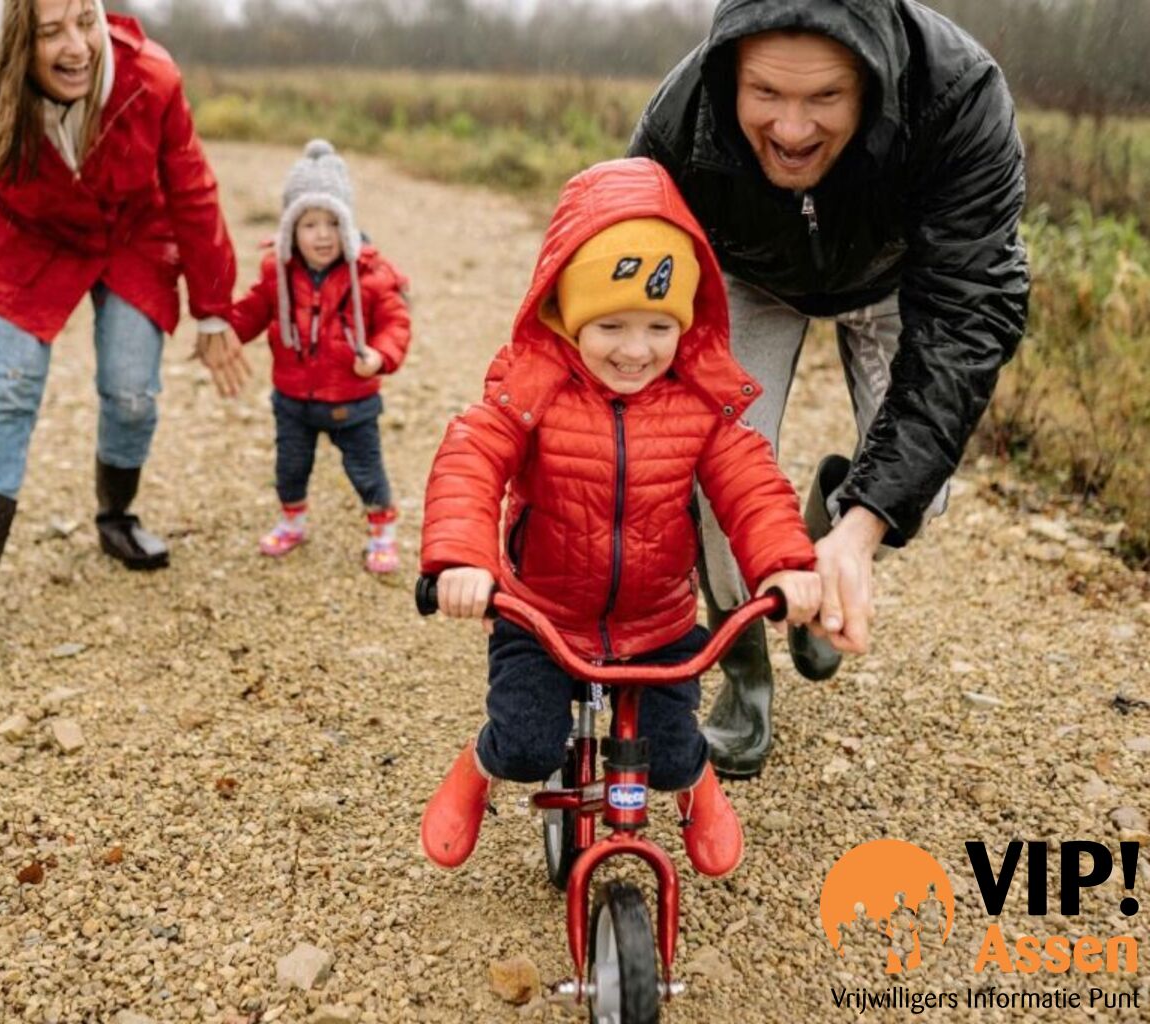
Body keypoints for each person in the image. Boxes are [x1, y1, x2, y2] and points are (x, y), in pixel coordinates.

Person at [629, 0, 1030, 775]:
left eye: (825, 99)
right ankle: (743, 673)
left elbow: (968, 320)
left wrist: (863, 525)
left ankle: (828, 533)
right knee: (713, 479)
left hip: (893, 275)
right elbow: (615, 276)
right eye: (767, 95)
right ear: (730, 75)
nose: (791, 129)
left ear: (873, 81)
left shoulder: (960, 99)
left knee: (920, 489)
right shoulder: (680, 122)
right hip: (750, 274)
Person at [416, 157, 822, 875]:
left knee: (669, 752)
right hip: (540, 613)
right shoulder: (533, 387)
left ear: (687, 320)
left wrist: (785, 563)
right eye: (610, 325)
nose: (636, 351)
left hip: (657, 623)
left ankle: (695, 786)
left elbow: (751, 482)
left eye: (659, 327)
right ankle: (478, 770)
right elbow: (472, 457)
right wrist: (462, 559)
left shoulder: (699, 404)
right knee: (526, 742)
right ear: (565, 314)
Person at [0, 0, 249, 639]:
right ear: (17, 45)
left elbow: (192, 191)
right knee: (10, 385)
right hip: (27, 239)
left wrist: (214, 311)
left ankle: (116, 517)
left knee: (131, 392)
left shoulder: (149, 79)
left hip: (128, 233)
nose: (78, 46)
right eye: (51, 32)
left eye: (85, 22)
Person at [228, 140, 411, 572]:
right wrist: (224, 330)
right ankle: (292, 520)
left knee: (366, 469)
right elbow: (254, 309)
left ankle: (382, 530)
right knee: (290, 466)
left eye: (333, 222)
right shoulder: (278, 271)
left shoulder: (369, 274)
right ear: (291, 228)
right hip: (292, 397)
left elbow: (396, 322)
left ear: (347, 225)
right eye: (310, 224)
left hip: (353, 398)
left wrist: (380, 356)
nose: (323, 234)